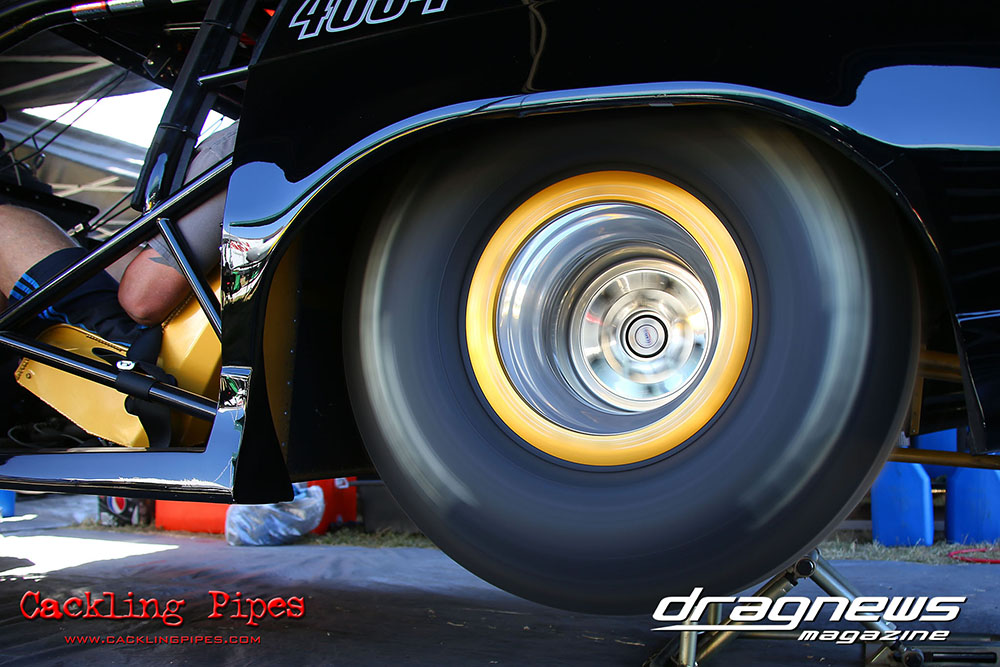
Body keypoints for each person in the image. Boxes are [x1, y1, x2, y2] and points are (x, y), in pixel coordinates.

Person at [0, 122, 237, 346]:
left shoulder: (238, 144)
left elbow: (144, 302)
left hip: (146, 353)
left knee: (6, 222)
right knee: (99, 253)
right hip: (224, 345)